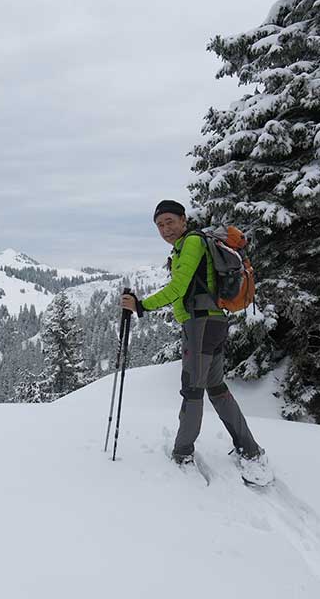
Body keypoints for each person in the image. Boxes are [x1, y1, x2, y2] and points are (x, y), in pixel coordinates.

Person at [122, 199, 271, 484]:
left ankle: (183, 451)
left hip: (200, 325)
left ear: (183, 220)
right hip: (213, 323)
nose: (165, 229)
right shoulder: (185, 246)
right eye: (159, 225)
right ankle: (249, 449)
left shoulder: (191, 243)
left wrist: (141, 306)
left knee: (192, 390)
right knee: (216, 388)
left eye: (170, 221)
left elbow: (178, 288)